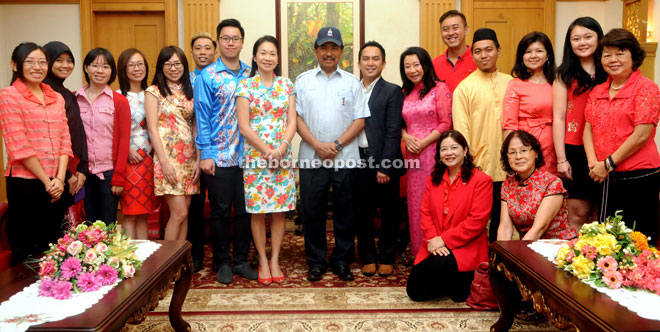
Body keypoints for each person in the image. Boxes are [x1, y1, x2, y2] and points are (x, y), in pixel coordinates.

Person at [296, 27, 369, 282]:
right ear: (315, 50)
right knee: (311, 211)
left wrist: (336, 145)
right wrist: (317, 144)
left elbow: (360, 120)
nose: (329, 53)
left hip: (346, 156)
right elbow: (295, 118)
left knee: (346, 211)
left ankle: (341, 259)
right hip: (310, 156)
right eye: (324, 47)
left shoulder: (352, 82)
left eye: (334, 48)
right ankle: (316, 261)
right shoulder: (302, 81)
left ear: (341, 52)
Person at [194, 18, 257, 284]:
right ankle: (221, 262)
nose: (231, 43)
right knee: (220, 210)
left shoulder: (251, 74)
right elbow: (202, 115)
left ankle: (241, 260)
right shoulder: (206, 75)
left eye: (236, 38)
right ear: (219, 42)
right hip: (218, 155)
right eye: (225, 38)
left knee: (245, 210)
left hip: (249, 155)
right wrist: (206, 153)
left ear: (242, 42)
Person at [583, 28, 660, 242]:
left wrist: (607, 163)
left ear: (633, 56)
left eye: (620, 53)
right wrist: (593, 162)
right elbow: (588, 128)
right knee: (608, 240)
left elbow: (642, 134)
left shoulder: (646, 89)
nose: (612, 59)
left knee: (638, 240)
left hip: (638, 176)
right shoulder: (598, 91)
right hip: (603, 174)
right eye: (607, 54)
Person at [0, 42, 72, 265]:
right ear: (15, 65)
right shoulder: (9, 96)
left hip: (56, 185)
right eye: (30, 61)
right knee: (27, 250)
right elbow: (18, 145)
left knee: (53, 246)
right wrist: (47, 181)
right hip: (25, 184)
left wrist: (59, 179)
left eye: (42, 62)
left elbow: (64, 140)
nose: (37, 67)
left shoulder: (56, 97)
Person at [236, 35, 297, 285]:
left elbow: (292, 121)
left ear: (277, 58)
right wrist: (267, 151)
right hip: (255, 156)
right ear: (254, 56)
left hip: (282, 155)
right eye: (263, 53)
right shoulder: (245, 86)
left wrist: (281, 149)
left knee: (280, 209)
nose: (268, 58)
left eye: (272, 53)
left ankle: (275, 259)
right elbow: (243, 126)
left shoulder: (286, 84)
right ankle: (262, 259)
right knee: (258, 211)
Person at [406, 130, 492, 302]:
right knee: (414, 291)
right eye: (444, 149)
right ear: (439, 154)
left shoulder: (481, 180)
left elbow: (477, 221)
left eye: (454, 147)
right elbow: (425, 213)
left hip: (466, 246)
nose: (449, 153)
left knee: (443, 287)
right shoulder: (433, 179)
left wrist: (444, 240)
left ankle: (461, 281)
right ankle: (453, 281)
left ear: (465, 150)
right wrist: (434, 240)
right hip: (437, 245)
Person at [452, 28, 512, 242]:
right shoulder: (464, 88)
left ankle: (502, 266)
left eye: (488, 50)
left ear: (499, 50)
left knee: (505, 219)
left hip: (510, 167)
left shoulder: (512, 83)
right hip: (479, 166)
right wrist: (468, 165)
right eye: (478, 51)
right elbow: (461, 130)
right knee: (478, 220)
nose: (483, 55)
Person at [552, 17, 607, 232]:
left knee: (602, 213)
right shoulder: (563, 75)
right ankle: (577, 262)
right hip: (574, 150)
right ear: (569, 43)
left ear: (598, 39)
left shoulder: (609, 70)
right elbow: (558, 118)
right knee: (578, 212)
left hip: (606, 150)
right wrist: (561, 159)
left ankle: (600, 262)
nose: (582, 42)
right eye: (576, 38)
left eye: (587, 37)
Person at [355, 41, 404, 277]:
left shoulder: (392, 91)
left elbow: (394, 129)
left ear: (383, 63)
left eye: (375, 59)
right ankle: (367, 257)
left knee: (388, 212)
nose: (370, 63)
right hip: (357, 160)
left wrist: (385, 165)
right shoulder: (351, 89)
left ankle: (386, 256)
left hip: (385, 160)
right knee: (362, 212)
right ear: (359, 63)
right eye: (366, 58)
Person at [400, 46, 452, 257]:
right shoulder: (404, 92)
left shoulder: (439, 88)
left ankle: (438, 251)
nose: (412, 70)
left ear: (425, 65)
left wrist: (424, 142)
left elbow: (446, 122)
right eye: (407, 66)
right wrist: (405, 136)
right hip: (412, 158)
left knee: (435, 203)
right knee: (415, 203)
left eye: (416, 64)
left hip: (433, 154)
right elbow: (400, 122)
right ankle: (418, 251)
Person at [146, 46, 200, 241]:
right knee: (178, 213)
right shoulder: (154, 91)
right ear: (161, 67)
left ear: (184, 65)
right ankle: (167, 264)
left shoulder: (190, 89)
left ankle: (180, 263)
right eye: (168, 64)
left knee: (184, 213)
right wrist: (164, 163)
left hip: (189, 158)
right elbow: (152, 129)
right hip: (167, 158)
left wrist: (198, 159)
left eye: (177, 63)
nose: (173, 68)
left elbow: (195, 125)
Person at [76, 48, 130, 223]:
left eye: (105, 67)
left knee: (107, 225)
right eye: (95, 66)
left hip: (108, 173)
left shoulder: (119, 100)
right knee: (84, 225)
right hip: (81, 174)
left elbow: (124, 140)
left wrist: (119, 176)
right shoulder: (74, 99)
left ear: (111, 71)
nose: (100, 71)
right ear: (86, 68)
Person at [498, 130, 578, 241]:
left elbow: (539, 228)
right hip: (527, 246)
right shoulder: (507, 185)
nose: (518, 156)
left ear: (536, 153)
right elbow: (505, 227)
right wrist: (502, 254)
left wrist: (517, 255)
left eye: (524, 150)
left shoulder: (552, 183)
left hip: (557, 247)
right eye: (512, 152)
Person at [503, 31, 558, 175]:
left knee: (551, 189)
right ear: (522, 56)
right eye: (528, 52)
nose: (533, 56)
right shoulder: (515, 84)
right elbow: (509, 124)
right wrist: (511, 157)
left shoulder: (558, 82)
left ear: (547, 56)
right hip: (526, 145)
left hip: (555, 144)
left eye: (539, 51)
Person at [116, 48, 158, 240]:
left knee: (145, 213)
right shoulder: (117, 97)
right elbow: (113, 131)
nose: (136, 69)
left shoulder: (154, 93)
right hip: (129, 160)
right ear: (123, 69)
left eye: (140, 64)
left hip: (151, 159)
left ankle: (146, 262)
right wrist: (127, 151)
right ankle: (129, 259)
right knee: (130, 213)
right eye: (131, 65)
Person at [43, 41, 88, 212]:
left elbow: (79, 131)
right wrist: (67, 175)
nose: (66, 65)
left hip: (75, 167)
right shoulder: (45, 92)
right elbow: (50, 138)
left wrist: (83, 168)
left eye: (69, 61)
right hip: (56, 171)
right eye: (59, 60)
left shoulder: (68, 93)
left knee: (74, 224)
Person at [188, 31, 218, 272]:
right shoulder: (184, 81)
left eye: (208, 48)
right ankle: (195, 255)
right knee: (194, 207)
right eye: (198, 48)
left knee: (221, 205)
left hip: (217, 152)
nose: (203, 52)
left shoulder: (221, 77)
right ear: (191, 52)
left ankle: (223, 258)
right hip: (188, 155)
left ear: (215, 52)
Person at [432, 10, 476, 92]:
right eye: (446, 29)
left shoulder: (478, 60)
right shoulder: (434, 64)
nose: (451, 33)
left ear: (466, 30)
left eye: (455, 28)